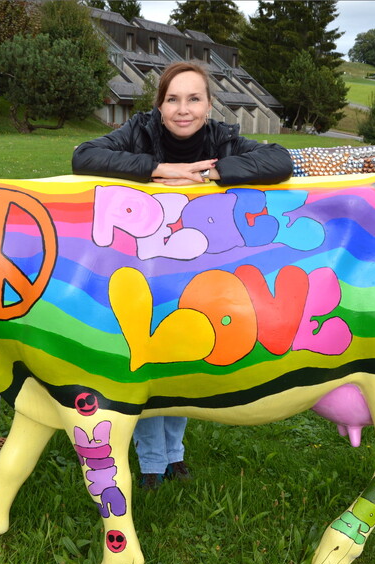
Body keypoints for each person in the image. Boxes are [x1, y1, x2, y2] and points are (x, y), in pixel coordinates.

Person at [72, 61, 292, 490]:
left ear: (209, 105)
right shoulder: (139, 131)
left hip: (197, 267)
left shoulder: (221, 139)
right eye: (173, 99)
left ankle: (174, 455)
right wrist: (160, 169)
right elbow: (84, 156)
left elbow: (278, 159)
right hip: (139, 266)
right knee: (146, 358)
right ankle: (152, 461)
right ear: (160, 104)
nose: (183, 109)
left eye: (194, 99)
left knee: (182, 357)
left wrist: (213, 173)